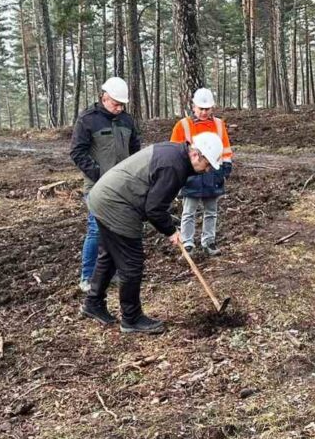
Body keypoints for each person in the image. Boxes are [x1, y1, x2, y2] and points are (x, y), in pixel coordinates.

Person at [81, 133, 225, 335]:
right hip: (116, 203)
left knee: (110, 255)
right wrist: (171, 231)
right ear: (196, 155)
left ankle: (93, 303)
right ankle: (131, 318)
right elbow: (154, 209)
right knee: (132, 262)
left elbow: (155, 199)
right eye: (208, 164)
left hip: (104, 197)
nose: (207, 170)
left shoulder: (176, 154)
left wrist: (169, 224)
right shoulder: (174, 166)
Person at [70, 77, 142, 292]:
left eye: (122, 105)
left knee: (120, 229)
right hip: (97, 187)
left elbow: (135, 151)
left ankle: (113, 272)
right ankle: (87, 276)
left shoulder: (127, 121)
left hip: (123, 187)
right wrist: (99, 174)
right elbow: (77, 152)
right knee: (96, 230)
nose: (119, 108)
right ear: (104, 98)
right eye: (115, 104)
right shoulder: (87, 120)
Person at [170, 88, 234, 257]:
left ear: (212, 108)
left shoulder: (219, 125)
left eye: (207, 109)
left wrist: (226, 165)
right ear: (194, 107)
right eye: (201, 108)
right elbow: (174, 151)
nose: (204, 112)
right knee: (189, 211)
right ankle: (188, 243)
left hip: (213, 173)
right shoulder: (183, 125)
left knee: (211, 211)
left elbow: (225, 148)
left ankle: (209, 241)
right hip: (191, 174)